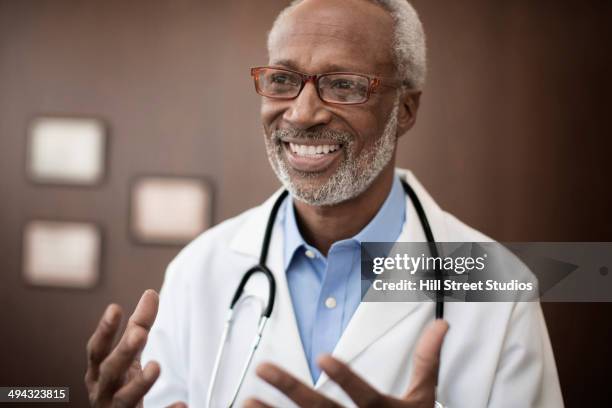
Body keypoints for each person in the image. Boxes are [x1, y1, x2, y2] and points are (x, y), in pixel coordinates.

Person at [84, 0, 564, 406]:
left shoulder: (501, 288)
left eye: (345, 84)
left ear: (407, 110)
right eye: (282, 80)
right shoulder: (199, 269)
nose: (302, 112)